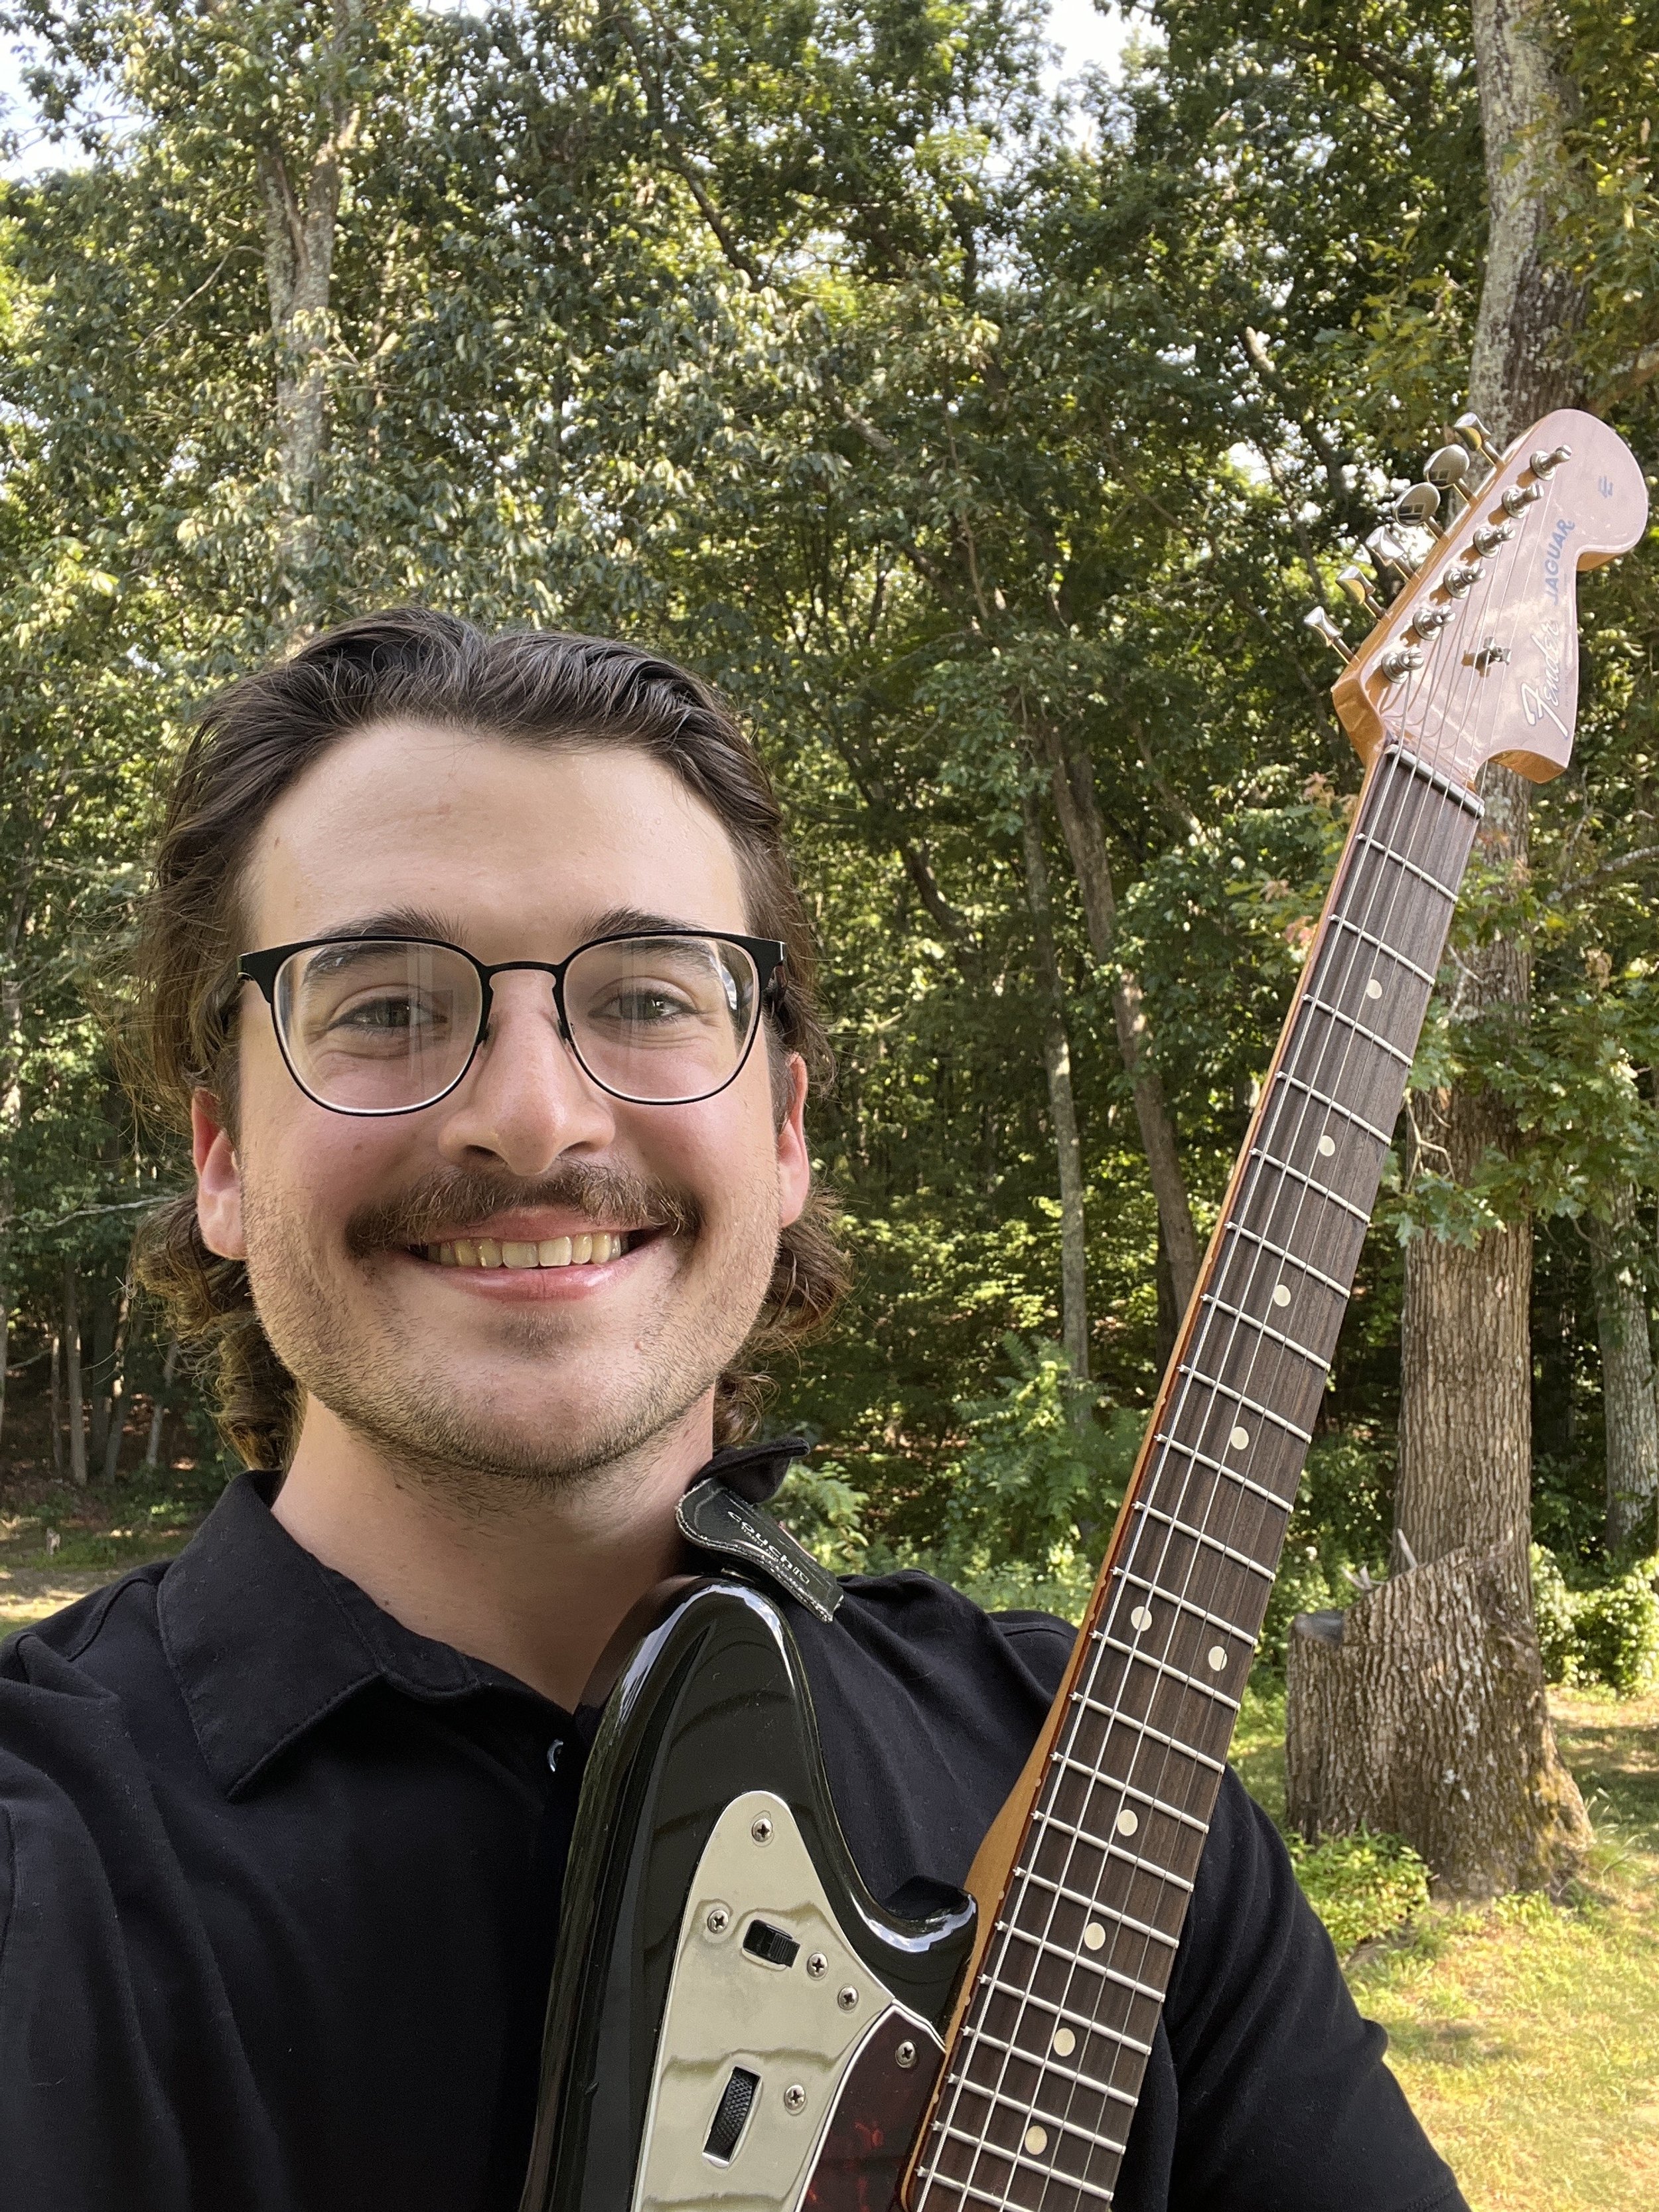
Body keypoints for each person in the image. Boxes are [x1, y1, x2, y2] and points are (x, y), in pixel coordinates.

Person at [0, 611, 1465, 2212]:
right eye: (383, 1007)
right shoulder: (37, 1856)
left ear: (780, 1132)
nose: (534, 1118)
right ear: (222, 1157)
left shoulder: (1096, 1790)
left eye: (645, 997)